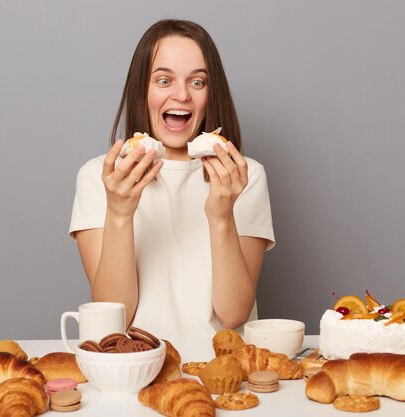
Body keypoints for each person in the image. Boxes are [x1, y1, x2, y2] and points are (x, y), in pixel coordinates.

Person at [69, 19, 274, 343]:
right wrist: (120, 214)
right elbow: (114, 317)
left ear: (211, 93)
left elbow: (233, 315)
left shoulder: (244, 176)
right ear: (142, 89)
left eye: (197, 82)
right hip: (136, 370)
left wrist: (221, 216)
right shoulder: (100, 178)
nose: (181, 95)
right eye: (164, 80)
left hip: (221, 376)